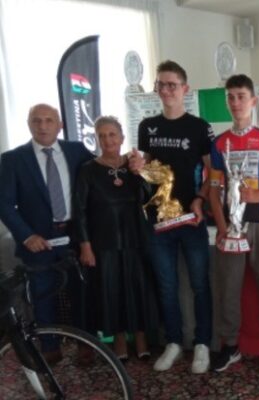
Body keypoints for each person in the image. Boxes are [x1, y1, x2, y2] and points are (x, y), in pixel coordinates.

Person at [128, 60, 214, 374]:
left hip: (191, 218)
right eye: (161, 84)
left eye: (172, 85)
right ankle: (174, 342)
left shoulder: (199, 127)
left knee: (199, 284)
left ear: (185, 89)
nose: (166, 90)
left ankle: (202, 343)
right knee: (166, 285)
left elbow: (213, 172)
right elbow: (148, 170)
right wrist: (137, 167)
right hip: (159, 221)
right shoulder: (147, 126)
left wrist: (200, 199)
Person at [209, 74, 259, 376]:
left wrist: (257, 195)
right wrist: (222, 227)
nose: (235, 102)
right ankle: (230, 346)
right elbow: (214, 190)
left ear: (253, 101)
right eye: (230, 97)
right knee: (228, 289)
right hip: (232, 226)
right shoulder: (219, 143)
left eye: (241, 96)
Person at [0, 103, 93, 363]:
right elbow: (4, 203)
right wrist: (26, 235)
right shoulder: (13, 159)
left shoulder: (77, 151)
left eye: (49, 120)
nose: (43, 126)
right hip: (37, 241)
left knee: (81, 293)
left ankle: (85, 344)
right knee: (42, 296)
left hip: (74, 236)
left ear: (59, 125)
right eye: (37, 120)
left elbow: (101, 170)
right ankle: (49, 346)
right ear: (29, 124)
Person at [73, 116, 157, 362]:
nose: (108, 140)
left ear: (122, 138)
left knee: (138, 288)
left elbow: (148, 198)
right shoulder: (88, 170)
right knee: (111, 291)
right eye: (102, 135)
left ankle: (140, 337)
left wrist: (140, 173)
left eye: (112, 134)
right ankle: (119, 339)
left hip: (135, 238)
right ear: (97, 139)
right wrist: (85, 246)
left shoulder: (134, 165)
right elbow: (80, 210)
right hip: (104, 243)